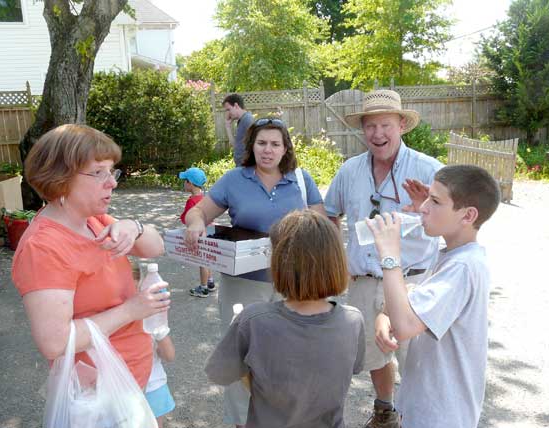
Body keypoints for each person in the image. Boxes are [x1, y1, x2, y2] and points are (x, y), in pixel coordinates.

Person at [184, 117, 325, 427]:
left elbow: (321, 227)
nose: (268, 150)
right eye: (262, 143)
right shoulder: (235, 179)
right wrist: (196, 223)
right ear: (252, 146)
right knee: (241, 355)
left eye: (275, 143)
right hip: (242, 284)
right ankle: (241, 421)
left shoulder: (301, 180)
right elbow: (199, 211)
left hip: (293, 285)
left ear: (286, 148)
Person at [11, 124, 168, 392]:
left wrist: (134, 226)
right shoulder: (44, 247)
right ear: (60, 178)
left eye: (111, 171)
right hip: (97, 393)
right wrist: (132, 310)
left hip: (133, 379)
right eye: (98, 173)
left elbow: (156, 247)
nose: (113, 182)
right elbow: (55, 343)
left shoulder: (92, 220)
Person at [324, 89, 444, 428]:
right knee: (375, 355)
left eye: (386, 125)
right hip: (363, 280)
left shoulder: (430, 169)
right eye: (370, 126)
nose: (378, 134)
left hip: (411, 282)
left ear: (402, 124)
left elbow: (456, 223)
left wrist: (426, 209)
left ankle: (419, 417)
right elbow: (330, 213)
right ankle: (385, 410)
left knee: (416, 358)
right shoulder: (349, 170)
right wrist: (337, 259)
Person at [205, 209, 365, 428]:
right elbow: (349, 368)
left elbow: (219, 374)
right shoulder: (353, 320)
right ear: (336, 261)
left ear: (279, 263)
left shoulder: (253, 320)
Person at [368, 165, 501, 428]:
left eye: (435, 201)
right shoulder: (450, 255)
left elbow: (405, 326)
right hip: (427, 408)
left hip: (441, 415)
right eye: (427, 197)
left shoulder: (462, 267)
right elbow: (408, 303)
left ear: (467, 215)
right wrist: (384, 315)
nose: (423, 207)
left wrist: (390, 255)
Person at [178, 166, 215, 297]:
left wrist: (182, 217)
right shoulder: (205, 198)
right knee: (207, 258)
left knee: (202, 261)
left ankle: (203, 288)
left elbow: (187, 218)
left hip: (199, 234)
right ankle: (210, 282)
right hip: (209, 231)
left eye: (185, 181)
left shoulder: (192, 201)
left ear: (190, 183)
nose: (183, 183)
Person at [145, 326, 176, 428]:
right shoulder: (151, 320)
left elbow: (169, 355)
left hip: (118, 389)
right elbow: (169, 355)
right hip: (153, 386)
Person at [223, 94, 254, 167]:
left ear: (236, 105)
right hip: (240, 165)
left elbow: (255, 143)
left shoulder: (247, 120)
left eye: (228, 109)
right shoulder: (241, 121)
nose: (227, 113)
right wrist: (227, 126)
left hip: (246, 166)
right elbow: (235, 145)